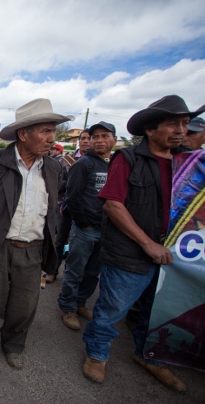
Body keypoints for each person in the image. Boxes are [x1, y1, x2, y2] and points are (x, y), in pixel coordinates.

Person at [82, 95, 205, 392]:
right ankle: (97, 354)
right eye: (173, 124)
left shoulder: (188, 164)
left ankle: (149, 356)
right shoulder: (129, 159)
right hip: (130, 254)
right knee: (113, 309)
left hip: (176, 257)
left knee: (157, 312)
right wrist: (148, 243)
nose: (180, 130)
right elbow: (113, 205)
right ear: (150, 130)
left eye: (185, 124)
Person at [0, 98, 70, 373]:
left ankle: (14, 345)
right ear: (24, 134)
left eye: (53, 131)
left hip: (34, 249)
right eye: (45, 131)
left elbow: (56, 205)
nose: (51, 138)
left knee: (25, 305)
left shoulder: (54, 168)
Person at [57, 121, 116, 330]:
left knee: (93, 272)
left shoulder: (114, 166)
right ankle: (68, 307)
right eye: (95, 137)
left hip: (106, 231)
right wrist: (84, 224)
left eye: (104, 136)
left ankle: (80, 303)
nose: (99, 140)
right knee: (75, 270)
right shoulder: (83, 165)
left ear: (114, 140)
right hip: (85, 230)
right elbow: (72, 198)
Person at [47, 129, 90, 283]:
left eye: (88, 138)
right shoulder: (66, 161)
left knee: (79, 245)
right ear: (79, 141)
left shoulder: (98, 162)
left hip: (87, 210)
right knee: (59, 239)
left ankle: (73, 278)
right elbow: (56, 182)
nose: (85, 141)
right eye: (83, 138)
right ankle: (52, 270)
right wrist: (73, 184)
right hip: (64, 206)